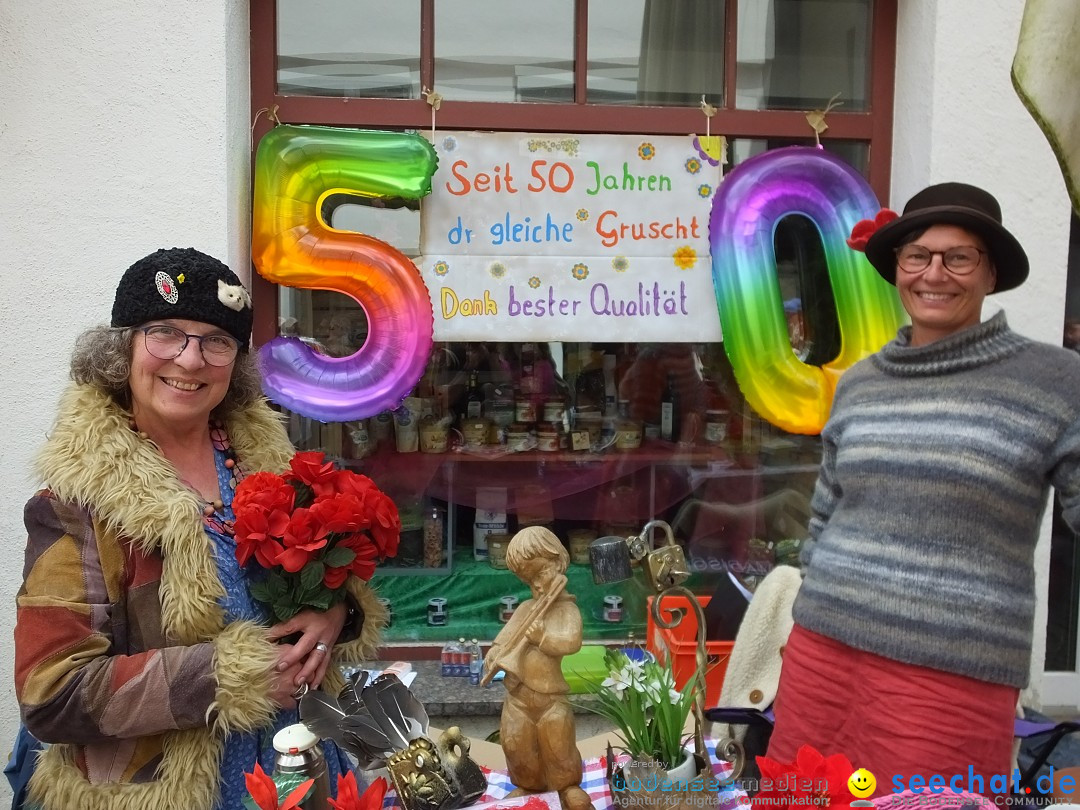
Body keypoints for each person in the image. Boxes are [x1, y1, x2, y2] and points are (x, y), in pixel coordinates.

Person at [14, 248, 385, 810]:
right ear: (123, 351)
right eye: (165, 333)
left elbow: (314, 588)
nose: (190, 361)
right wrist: (230, 677)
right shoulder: (76, 505)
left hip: (299, 764)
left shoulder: (270, 466)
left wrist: (338, 614)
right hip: (164, 790)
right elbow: (52, 693)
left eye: (216, 340)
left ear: (236, 363)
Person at [766, 183, 1080, 792]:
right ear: (897, 270)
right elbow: (825, 517)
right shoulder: (860, 383)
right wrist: (804, 617)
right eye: (918, 256)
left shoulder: (1055, 381)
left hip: (950, 674)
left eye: (958, 257)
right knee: (797, 797)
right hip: (822, 658)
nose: (935, 273)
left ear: (990, 273)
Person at [482, 526, 591, 810]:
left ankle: (566, 789)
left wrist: (541, 636)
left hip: (551, 700)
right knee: (517, 747)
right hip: (518, 699)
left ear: (558, 562)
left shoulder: (568, 610)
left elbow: (571, 642)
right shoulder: (525, 609)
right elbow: (504, 641)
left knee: (559, 750)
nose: (539, 587)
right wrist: (493, 655)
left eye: (541, 574)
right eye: (530, 581)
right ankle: (528, 787)